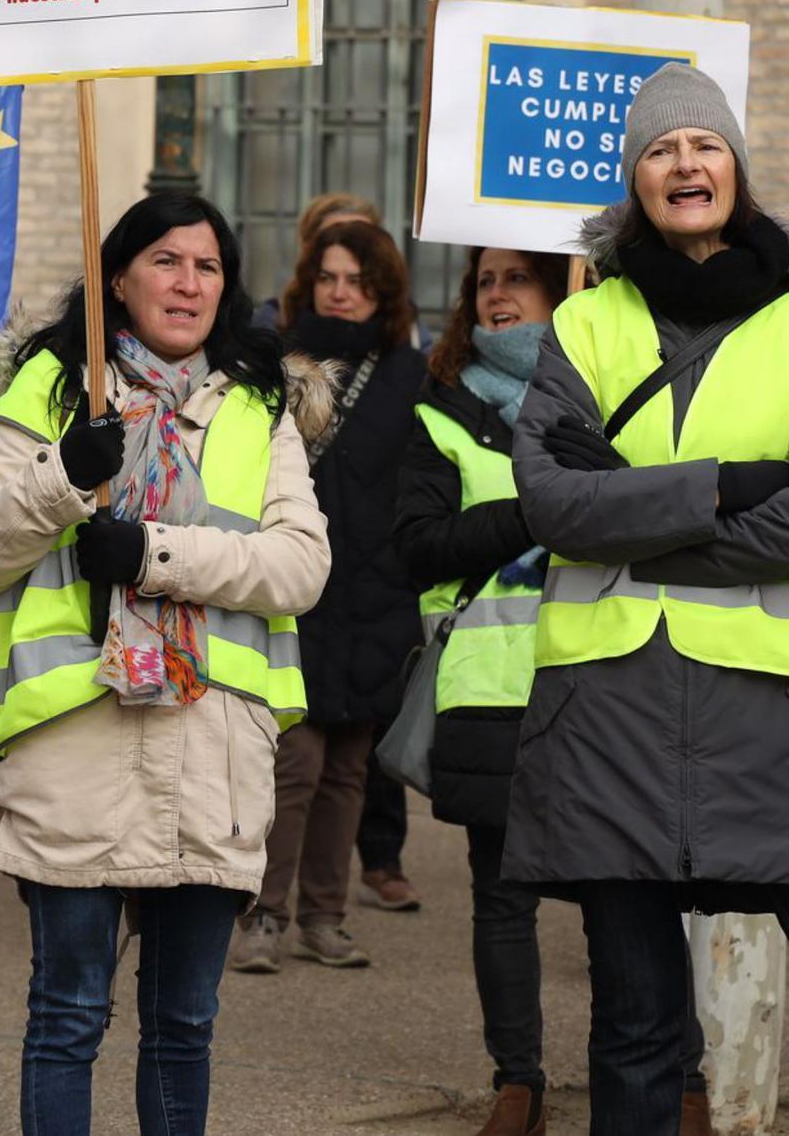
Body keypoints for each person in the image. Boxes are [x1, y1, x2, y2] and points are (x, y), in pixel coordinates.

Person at [0, 191, 331, 1136]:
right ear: (117, 276)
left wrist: (158, 553)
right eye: (165, 260)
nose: (188, 282)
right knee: (69, 1015)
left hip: (214, 756)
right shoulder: (43, 389)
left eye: (207, 266)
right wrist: (64, 479)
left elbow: (301, 566)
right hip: (77, 746)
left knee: (183, 1025)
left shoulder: (259, 405)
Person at [506, 62, 781, 1135]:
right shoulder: (585, 323)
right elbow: (554, 504)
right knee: (633, 1028)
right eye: (660, 150)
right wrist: (728, 485)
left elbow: (602, 505)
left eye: (703, 144)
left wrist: (644, 505)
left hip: (768, 712)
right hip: (609, 717)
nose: (684, 163)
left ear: (737, 168)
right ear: (634, 182)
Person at [393, 246, 564, 1134]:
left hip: (601, 685)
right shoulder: (444, 414)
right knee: (503, 898)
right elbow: (420, 545)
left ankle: (667, 1075)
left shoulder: (619, 392)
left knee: (627, 894)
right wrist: (541, 507)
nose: (497, 296)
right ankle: (519, 1082)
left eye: (516, 278)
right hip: (492, 690)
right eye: (483, 282)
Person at [231, 220, 425, 972]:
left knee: (349, 771)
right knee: (295, 764)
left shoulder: (410, 373)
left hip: (379, 596)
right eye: (330, 278)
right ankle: (264, 915)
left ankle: (325, 915)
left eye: (359, 282)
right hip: (298, 590)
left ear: (383, 293)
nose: (342, 293)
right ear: (308, 283)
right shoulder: (275, 364)